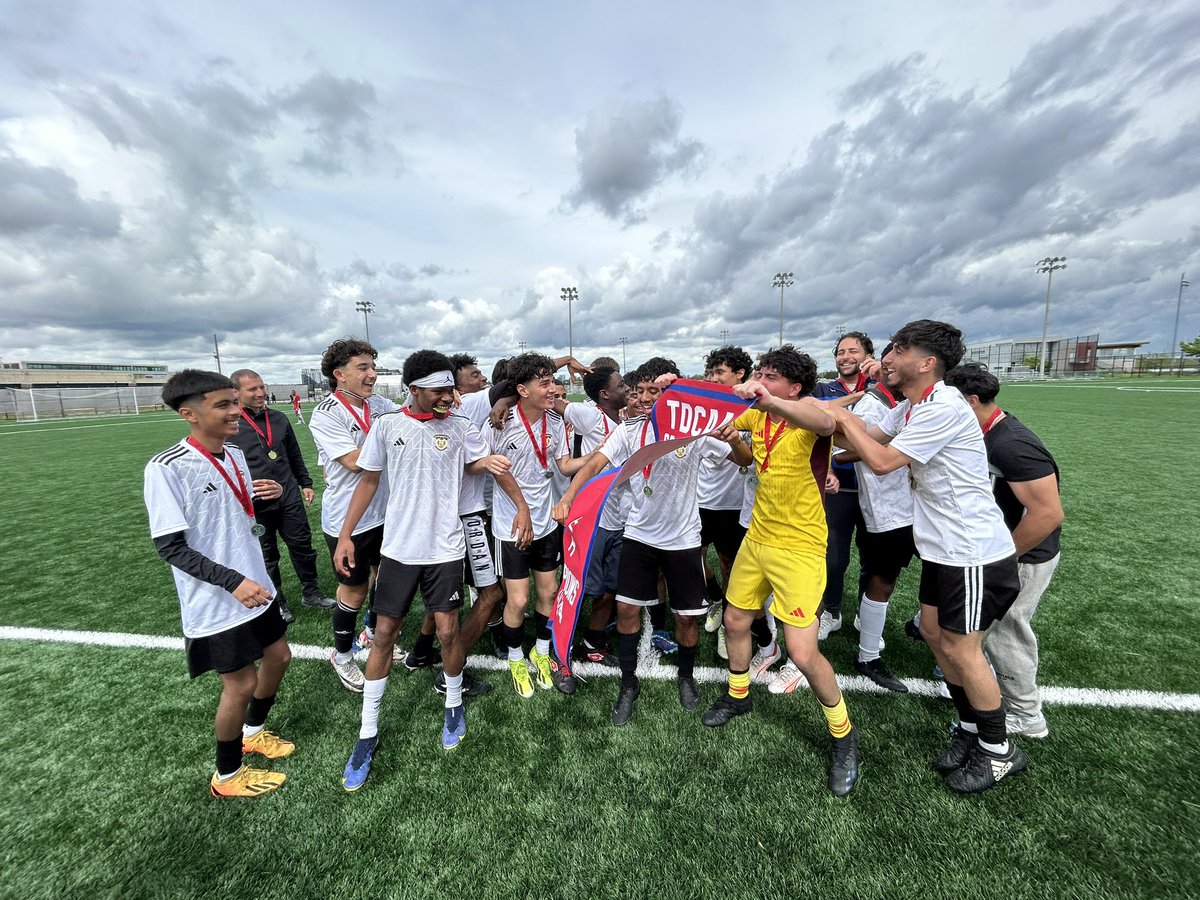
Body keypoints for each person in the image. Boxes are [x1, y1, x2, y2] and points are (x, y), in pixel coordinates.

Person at [832, 320, 1025, 793]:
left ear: (927, 363)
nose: (888, 357)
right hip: (945, 551)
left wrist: (841, 420)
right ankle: (972, 729)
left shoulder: (942, 406)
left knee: (962, 647)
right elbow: (855, 447)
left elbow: (880, 461)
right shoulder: (912, 408)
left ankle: (1000, 751)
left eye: (898, 349)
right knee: (937, 636)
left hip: (973, 553)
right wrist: (821, 422)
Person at [336, 351, 518, 788]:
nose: (447, 397)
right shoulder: (387, 426)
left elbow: (472, 461)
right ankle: (367, 733)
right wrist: (346, 534)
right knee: (383, 635)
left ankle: (453, 703)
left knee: (448, 631)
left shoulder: (459, 425)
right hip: (399, 550)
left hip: (446, 549)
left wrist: (486, 463)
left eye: (450, 389)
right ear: (413, 389)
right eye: (438, 389)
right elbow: (368, 480)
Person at [554, 357, 753, 726]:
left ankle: (686, 676)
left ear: (669, 394)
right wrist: (568, 498)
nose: (645, 398)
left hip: (682, 540)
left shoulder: (693, 432)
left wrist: (733, 439)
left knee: (686, 618)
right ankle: (628, 684)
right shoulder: (629, 432)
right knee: (627, 611)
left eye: (654, 391)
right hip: (638, 536)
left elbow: (744, 459)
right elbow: (595, 463)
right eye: (638, 391)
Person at [697, 346, 859, 797]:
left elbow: (827, 424)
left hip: (800, 548)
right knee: (734, 619)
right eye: (761, 374)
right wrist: (685, 395)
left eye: (771, 376)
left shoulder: (809, 410)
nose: (761, 382)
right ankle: (738, 694)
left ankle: (844, 736)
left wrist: (765, 399)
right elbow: (739, 447)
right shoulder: (758, 414)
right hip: (758, 539)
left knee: (803, 653)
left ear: (794, 386)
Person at [144, 370, 294, 798]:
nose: (235, 411)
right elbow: (172, 547)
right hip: (218, 598)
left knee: (280, 657)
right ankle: (226, 777)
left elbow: (233, 511)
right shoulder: (166, 468)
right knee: (241, 684)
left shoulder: (234, 455)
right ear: (189, 414)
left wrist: (258, 494)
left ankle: (254, 732)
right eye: (224, 405)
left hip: (255, 585)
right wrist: (232, 582)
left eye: (235, 402)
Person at [944, 362, 1063, 739]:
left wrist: (1005, 559)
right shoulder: (981, 432)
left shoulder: (1011, 443)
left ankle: (1026, 715)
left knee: (1007, 631)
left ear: (972, 400)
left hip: (1024, 554)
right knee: (976, 629)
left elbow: (1048, 513)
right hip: (995, 548)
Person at [488, 353, 596, 697]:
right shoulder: (501, 423)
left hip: (547, 521)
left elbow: (563, 466)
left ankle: (542, 650)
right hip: (513, 525)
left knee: (548, 593)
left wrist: (600, 454)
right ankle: (517, 659)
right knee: (517, 600)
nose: (553, 389)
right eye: (545, 383)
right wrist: (521, 508)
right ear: (521, 389)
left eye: (553, 381)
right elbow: (494, 468)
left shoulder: (554, 421)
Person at [309, 338, 403, 693]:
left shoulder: (381, 404)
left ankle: (372, 632)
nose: (372, 375)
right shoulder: (327, 413)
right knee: (354, 588)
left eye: (373, 367)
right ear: (340, 375)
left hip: (386, 512)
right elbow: (354, 462)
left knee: (386, 579)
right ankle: (343, 655)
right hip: (348, 519)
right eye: (363, 368)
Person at [838, 344, 917, 693]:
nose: (886, 369)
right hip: (892, 509)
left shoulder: (913, 405)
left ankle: (920, 627)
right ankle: (869, 654)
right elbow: (851, 452)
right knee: (881, 580)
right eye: (884, 364)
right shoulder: (872, 404)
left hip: (917, 509)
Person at [228, 369, 335, 624]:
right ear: (236, 392)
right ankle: (276, 602)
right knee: (266, 554)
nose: (260, 393)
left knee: (302, 546)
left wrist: (305, 483)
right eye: (252, 389)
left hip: (288, 496)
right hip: (254, 504)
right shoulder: (230, 425)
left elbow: (293, 454)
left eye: (262, 387)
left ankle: (311, 592)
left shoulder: (278, 419)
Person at [697, 345, 776, 671]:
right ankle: (716, 599)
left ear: (740, 374)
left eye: (720, 372)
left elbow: (747, 456)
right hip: (701, 499)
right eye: (711, 372)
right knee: (694, 558)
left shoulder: (755, 404)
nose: (713, 378)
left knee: (733, 565)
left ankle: (734, 614)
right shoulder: (705, 403)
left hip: (735, 504)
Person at [812, 331, 873, 640]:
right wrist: (861, 396)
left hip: (876, 485)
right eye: (841, 352)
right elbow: (819, 412)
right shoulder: (824, 387)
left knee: (872, 558)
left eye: (853, 351)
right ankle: (832, 611)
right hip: (838, 484)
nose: (846, 356)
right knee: (833, 556)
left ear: (868, 356)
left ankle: (866, 614)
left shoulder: (885, 389)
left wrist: (874, 388)